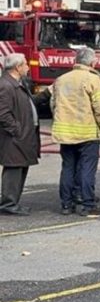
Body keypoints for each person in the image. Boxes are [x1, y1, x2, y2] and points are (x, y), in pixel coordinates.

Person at [51, 47, 100, 215]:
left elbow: (53, 105)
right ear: (93, 62)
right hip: (87, 133)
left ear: (75, 61)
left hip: (65, 133)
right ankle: (88, 204)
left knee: (68, 168)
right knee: (87, 169)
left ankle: (66, 205)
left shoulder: (61, 80)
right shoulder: (93, 79)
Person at [0, 54, 42, 215]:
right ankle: (8, 204)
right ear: (17, 67)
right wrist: (17, 131)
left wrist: (47, 94)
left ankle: (12, 203)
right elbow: (3, 114)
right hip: (14, 138)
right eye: (25, 64)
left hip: (21, 136)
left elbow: (29, 103)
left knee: (20, 169)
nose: (28, 67)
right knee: (13, 170)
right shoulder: (5, 85)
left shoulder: (18, 83)